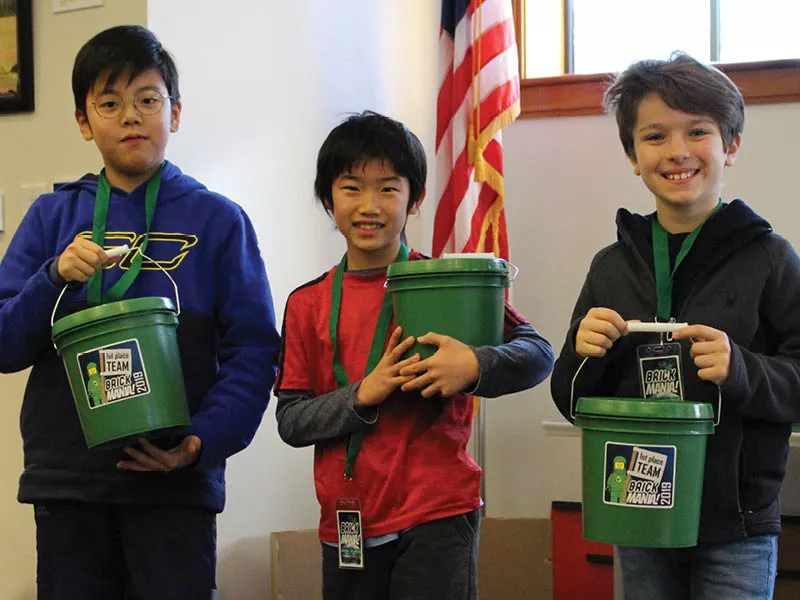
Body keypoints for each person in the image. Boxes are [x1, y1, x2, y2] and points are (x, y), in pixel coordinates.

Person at [0, 25, 280, 599]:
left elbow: (254, 352)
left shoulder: (220, 222)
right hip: (69, 485)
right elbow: (4, 343)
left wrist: (201, 440)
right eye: (110, 103)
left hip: (176, 485)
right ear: (83, 121)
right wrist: (53, 276)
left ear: (174, 113)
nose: (131, 116)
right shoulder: (51, 217)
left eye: (147, 100)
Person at [275, 110, 555, 600]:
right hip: (348, 516)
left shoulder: (449, 282)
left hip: (439, 511)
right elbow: (292, 421)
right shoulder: (307, 303)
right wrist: (365, 392)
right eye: (350, 187)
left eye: (388, 188)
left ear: (415, 198)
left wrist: (474, 366)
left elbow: (538, 353)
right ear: (327, 199)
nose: (370, 205)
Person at [550, 52, 800, 598]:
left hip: (736, 528)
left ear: (731, 146)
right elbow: (570, 398)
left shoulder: (772, 258)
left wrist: (742, 370)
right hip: (637, 512)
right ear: (633, 156)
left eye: (699, 131)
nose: (678, 151)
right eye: (655, 136)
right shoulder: (610, 266)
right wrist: (582, 353)